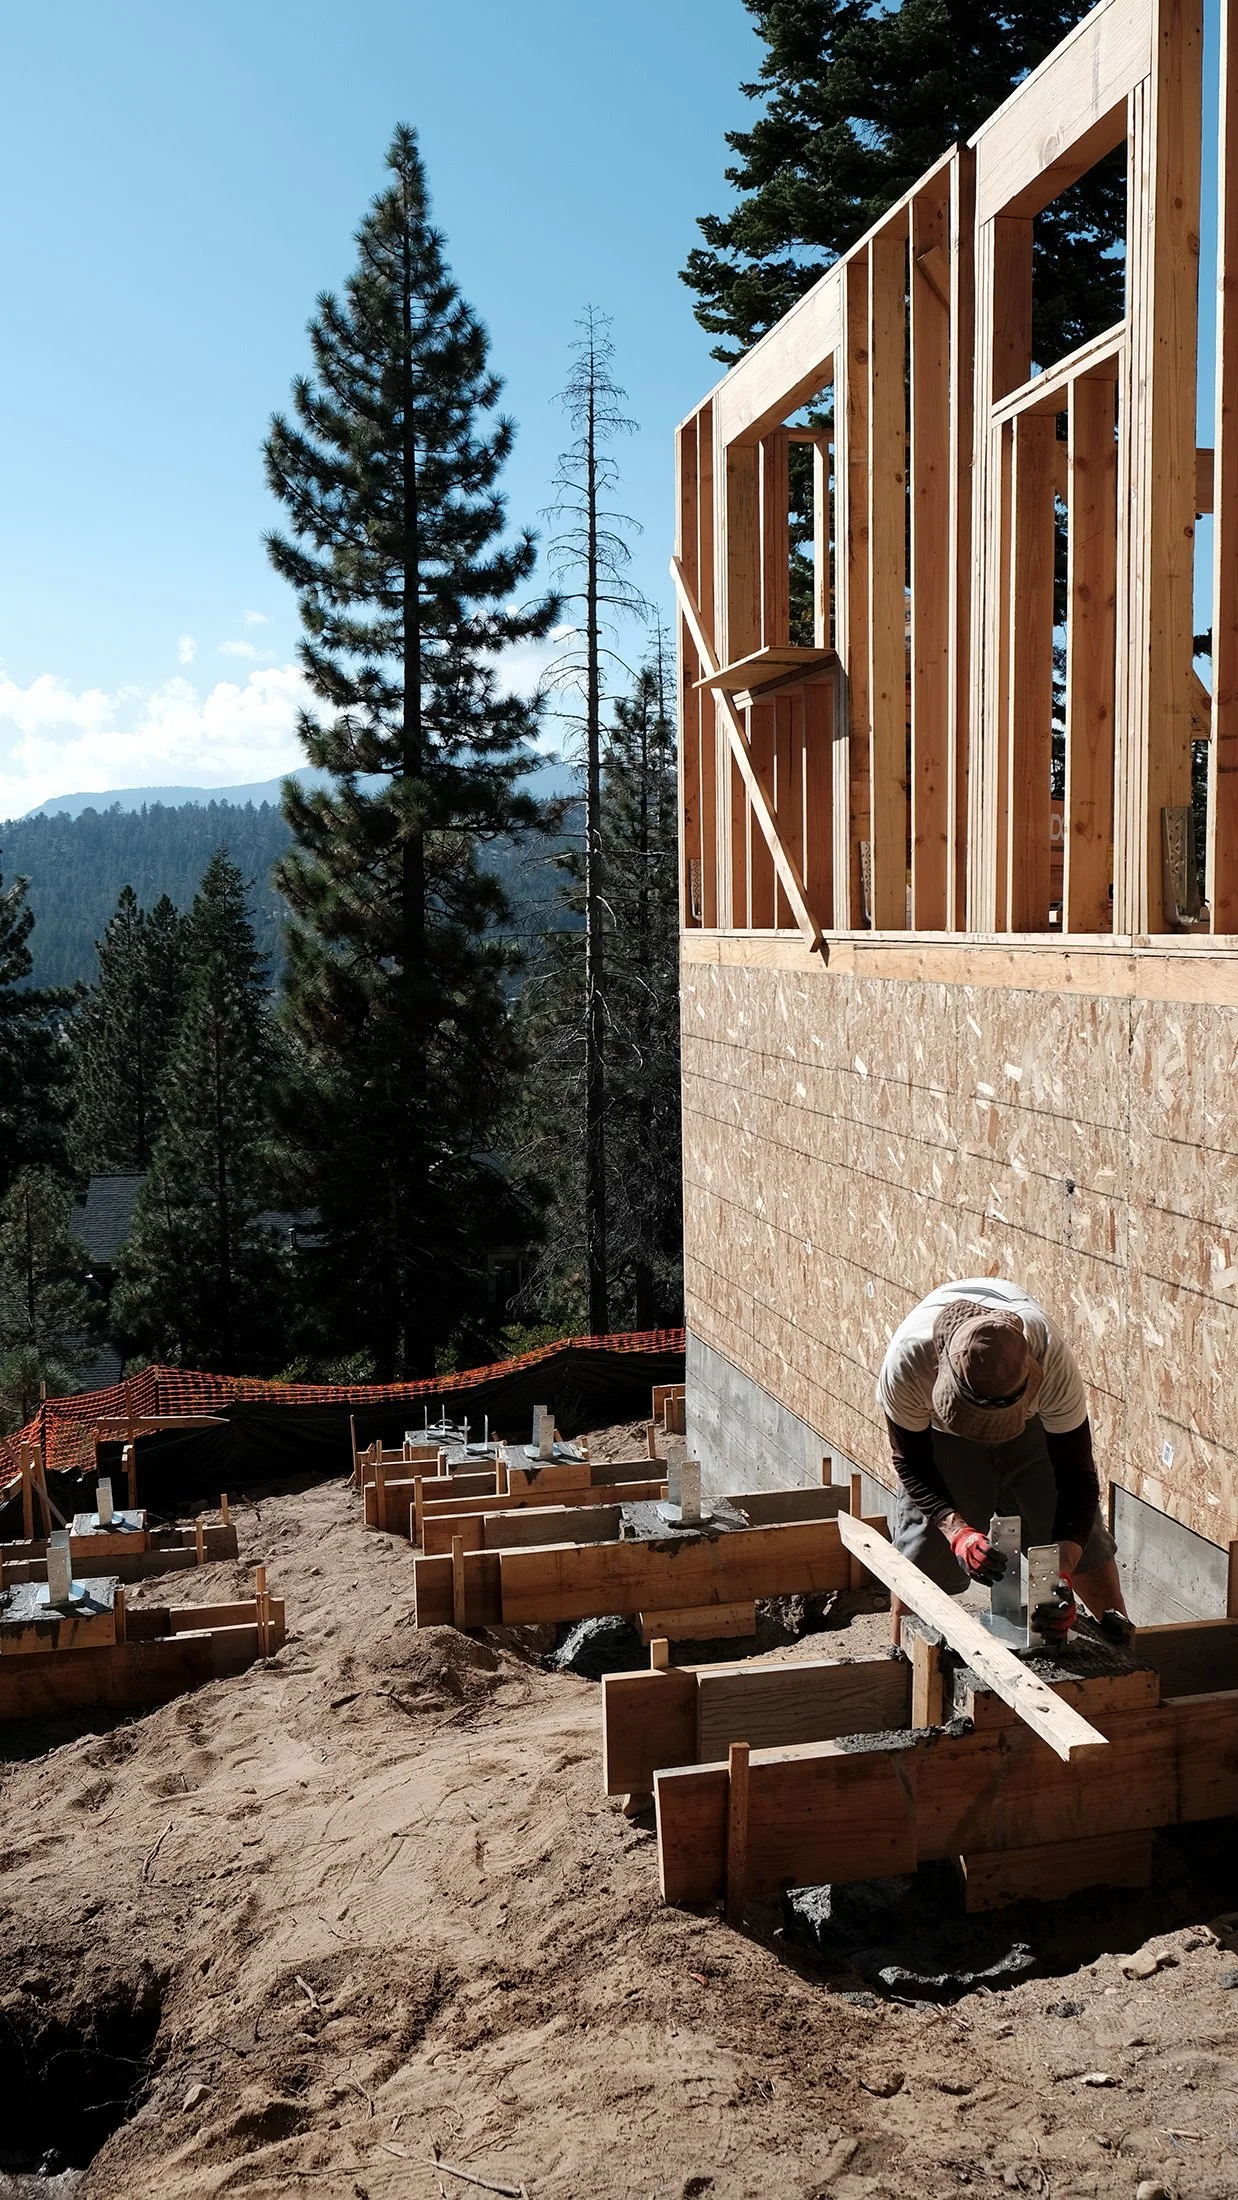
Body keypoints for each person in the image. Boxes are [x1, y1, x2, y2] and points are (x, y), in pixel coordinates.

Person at [875, 1277, 1127, 1647]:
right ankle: (902, 1667)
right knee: (920, 1566)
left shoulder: (1050, 1357)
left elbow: (1077, 1477)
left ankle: (1122, 1651)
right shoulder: (909, 1361)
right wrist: (958, 1533)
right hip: (942, 1438)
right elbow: (912, 1462)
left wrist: (1062, 1574)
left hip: (1032, 1431)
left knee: (1084, 1544)